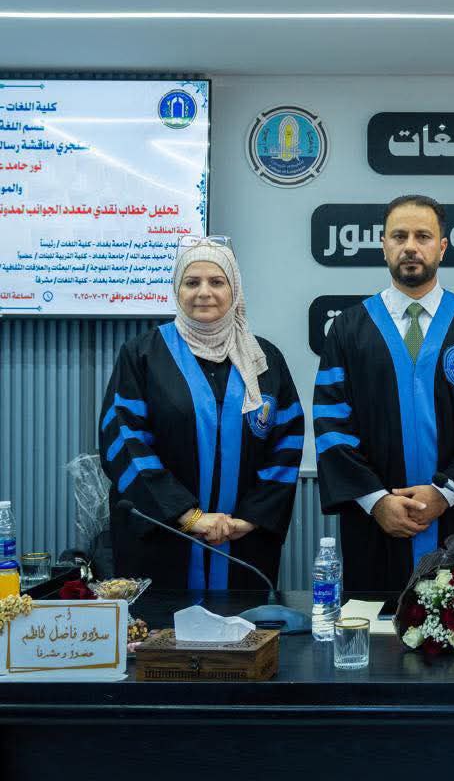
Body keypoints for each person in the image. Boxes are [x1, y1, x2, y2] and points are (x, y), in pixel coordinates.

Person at [314, 195, 454, 591]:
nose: (410, 246)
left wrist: (445, 493)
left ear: (442, 247)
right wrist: (376, 501)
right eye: (399, 236)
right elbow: (331, 423)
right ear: (383, 245)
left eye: (423, 236)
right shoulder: (348, 329)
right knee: (372, 620)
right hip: (373, 524)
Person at [99, 237, 303, 590]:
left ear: (234, 289)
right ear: (177, 290)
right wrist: (187, 515)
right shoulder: (143, 355)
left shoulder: (264, 360)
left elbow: (286, 443)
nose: (204, 292)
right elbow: (124, 441)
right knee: (160, 625)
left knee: (246, 622)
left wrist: (250, 518)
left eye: (217, 282)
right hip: (162, 540)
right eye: (192, 282)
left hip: (244, 544)